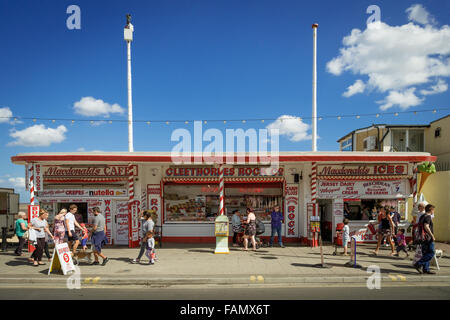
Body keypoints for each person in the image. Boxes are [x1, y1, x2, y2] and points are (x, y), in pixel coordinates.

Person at [414, 204, 436, 275]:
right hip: (427, 238)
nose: (434, 211)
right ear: (431, 210)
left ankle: (426, 269)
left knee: (425, 253)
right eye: (433, 210)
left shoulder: (422, 216)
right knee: (431, 252)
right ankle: (418, 264)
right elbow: (426, 226)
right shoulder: (428, 217)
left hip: (422, 237)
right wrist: (432, 236)